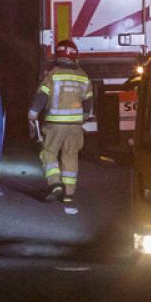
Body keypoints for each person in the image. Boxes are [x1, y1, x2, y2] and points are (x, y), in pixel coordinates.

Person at [29, 40, 93, 204]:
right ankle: (69, 194)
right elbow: (88, 101)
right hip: (76, 126)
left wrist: (33, 113)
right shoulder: (83, 77)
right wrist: (84, 116)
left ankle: (55, 183)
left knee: (48, 153)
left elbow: (42, 95)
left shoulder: (53, 74)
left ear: (58, 56)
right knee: (70, 156)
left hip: (55, 124)